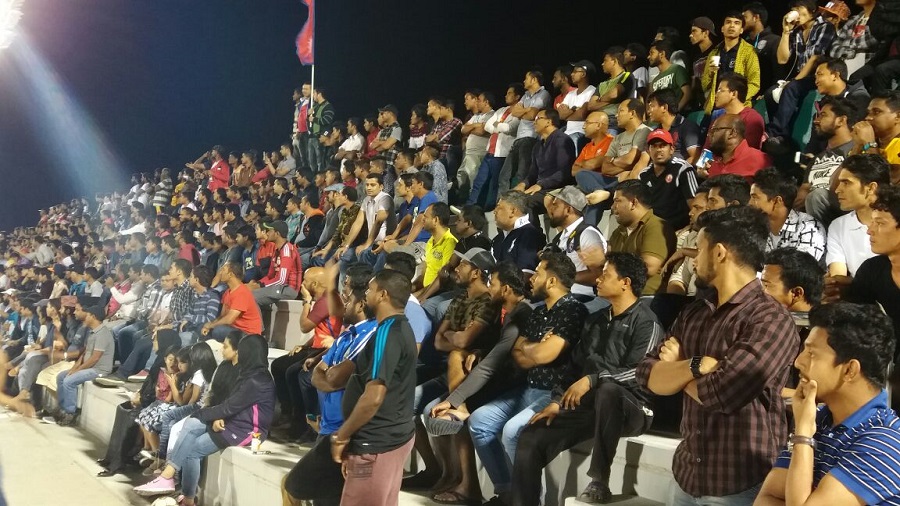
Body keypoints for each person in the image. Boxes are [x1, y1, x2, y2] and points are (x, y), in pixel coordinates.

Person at [636, 205, 799, 505]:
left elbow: (723, 393)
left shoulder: (770, 319)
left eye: (699, 249)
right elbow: (647, 374)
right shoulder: (694, 312)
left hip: (741, 483)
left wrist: (677, 369)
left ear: (720, 253)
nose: (694, 259)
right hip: (687, 477)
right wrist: (695, 365)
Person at [512, 253, 663, 506]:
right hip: (591, 405)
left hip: (633, 408)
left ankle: (599, 480)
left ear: (625, 283)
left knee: (608, 391)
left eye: (605, 275)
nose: (598, 280)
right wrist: (556, 401)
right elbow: (574, 367)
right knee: (531, 436)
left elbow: (641, 373)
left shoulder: (647, 322)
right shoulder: (595, 320)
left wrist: (593, 380)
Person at [467, 252, 587, 505]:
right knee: (479, 421)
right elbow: (520, 357)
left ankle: (529, 500)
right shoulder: (539, 311)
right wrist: (535, 347)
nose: (531, 278)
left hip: (553, 392)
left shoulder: (574, 310)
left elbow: (545, 354)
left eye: (538, 273)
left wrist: (531, 348)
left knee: (512, 432)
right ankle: (506, 491)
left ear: (552, 281)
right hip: (528, 387)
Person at [756, 303, 900, 505]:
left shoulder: (884, 442)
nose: (798, 362)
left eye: (811, 353)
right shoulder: (822, 419)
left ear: (849, 370)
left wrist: (803, 435)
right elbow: (766, 498)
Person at [424, 261, 533, 504]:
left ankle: (494, 491)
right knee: (458, 363)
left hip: (516, 383)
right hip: (503, 376)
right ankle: (477, 485)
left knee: (470, 416)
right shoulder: (510, 311)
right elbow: (496, 352)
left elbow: (495, 363)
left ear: (505, 289)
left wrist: (455, 399)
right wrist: (481, 351)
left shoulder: (522, 313)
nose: (489, 288)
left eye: (492, 283)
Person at [133, 334, 275, 505]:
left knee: (194, 438)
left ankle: (174, 483)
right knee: (192, 428)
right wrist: (214, 416)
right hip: (233, 421)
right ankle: (178, 488)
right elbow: (230, 404)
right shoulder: (248, 373)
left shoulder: (258, 380)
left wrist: (203, 414)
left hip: (248, 431)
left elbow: (230, 407)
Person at [281, 269, 378, 506]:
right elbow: (318, 374)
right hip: (327, 429)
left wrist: (328, 377)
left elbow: (334, 379)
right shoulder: (346, 336)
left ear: (361, 304)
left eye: (347, 298)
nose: (342, 303)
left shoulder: (370, 334)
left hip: (343, 433)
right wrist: (327, 377)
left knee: (292, 486)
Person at [330, 270, 418, 506]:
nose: (366, 294)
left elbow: (374, 396)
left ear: (382, 295)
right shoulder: (401, 328)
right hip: (387, 441)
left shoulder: (387, 332)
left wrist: (342, 435)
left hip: (376, 444)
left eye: (370, 289)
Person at [96, 330, 182, 477]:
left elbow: (160, 393)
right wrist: (139, 395)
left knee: (131, 416)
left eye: (156, 340)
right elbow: (150, 385)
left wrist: (141, 400)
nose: (153, 343)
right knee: (122, 409)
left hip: (156, 403)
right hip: (149, 400)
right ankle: (112, 457)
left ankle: (118, 462)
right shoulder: (159, 360)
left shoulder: (168, 364)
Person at [764, 0, 837, 154]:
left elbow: (815, 57)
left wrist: (795, 81)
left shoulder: (824, 27)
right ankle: (782, 137)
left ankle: (774, 131)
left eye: (799, 8)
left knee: (791, 88)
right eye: (793, 9)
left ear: (812, 10)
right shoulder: (797, 32)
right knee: (770, 93)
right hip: (802, 76)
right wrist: (786, 32)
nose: (795, 11)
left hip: (818, 75)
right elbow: (782, 59)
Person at [844, 185, 900, 362]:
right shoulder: (871, 269)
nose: (870, 230)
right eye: (872, 222)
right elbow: (856, 323)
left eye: (880, 223)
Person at [794, 96, 859, 225]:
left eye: (823, 115)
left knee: (816, 196)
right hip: (812, 215)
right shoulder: (816, 159)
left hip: (845, 216)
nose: (816, 121)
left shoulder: (857, 150)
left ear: (841, 120)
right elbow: (801, 197)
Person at [827, 155, 890, 286]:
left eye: (846, 183)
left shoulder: (896, 221)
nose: (837, 190)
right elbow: (838, 278)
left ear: (871, 188)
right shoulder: (838, 226)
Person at [607, 180, 677, 295]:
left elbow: (649, 267)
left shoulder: (656, 226)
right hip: (617, 295)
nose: (612, 207)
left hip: (646, 297)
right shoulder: (618, 232)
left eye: (617, 201)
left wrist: (610, 264)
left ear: (633, 203)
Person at [53, 305, 115, 426]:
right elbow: (85, 353)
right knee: (61, 376)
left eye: (87, 316)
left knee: (69, 381)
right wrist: (74, 368)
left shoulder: (103, 333)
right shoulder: (92, 332)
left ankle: (70, 412)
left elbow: (95, 358)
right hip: (89, 367)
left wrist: (78, 370)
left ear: (93, 316)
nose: (85, 318)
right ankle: (62, 407)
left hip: (99, 370)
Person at [749, 167, 826, 261]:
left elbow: (801, 269)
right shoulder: (754, 226)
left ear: (777, 201)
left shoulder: (808, 228)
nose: (749, 203)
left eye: (755, 197)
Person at [543, 186, 607, 296]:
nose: (551, 209)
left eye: (555, 205)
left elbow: (598, 275)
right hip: (562, 297)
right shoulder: (558, 238)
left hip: (585, 297)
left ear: (568, 209)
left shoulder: (587, 233)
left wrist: (564, 277)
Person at [500, 69, 553, 196]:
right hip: (518, 138)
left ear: (534, 79)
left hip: (531, 137)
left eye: (526, 78)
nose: (524, 81)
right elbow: (515, 112)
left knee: (521, 174)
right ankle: (501, 201)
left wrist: (525, 111)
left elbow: (533, 115)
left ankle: (518, 201)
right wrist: (527, 110)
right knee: (504, 174)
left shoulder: (544, 94)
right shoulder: (525, 96)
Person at [469, 84, 522, 210]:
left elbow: (510, 128)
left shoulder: (519, 111)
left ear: (517, 96)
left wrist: (497, 125)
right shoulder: (501, 110)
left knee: (495, 184)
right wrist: (499, 126)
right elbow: (488, 126)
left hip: (502, 153)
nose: (506, 95)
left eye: (509, 93)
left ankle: (492, 208)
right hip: (490, 152)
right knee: (479, 182)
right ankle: (471, 208)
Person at [636, 129, 699, 231]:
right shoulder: (643, 175)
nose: (658, 150)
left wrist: (691, 227)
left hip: (679, 228)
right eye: (654, 146)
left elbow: (695, 204)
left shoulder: (682, 168)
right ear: (648, 151)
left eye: (663, 145)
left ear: (672, 149)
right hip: (653, 229)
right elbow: (641, 207)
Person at [700, 11, 762, 115]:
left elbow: (754, 83)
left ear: (741, 30)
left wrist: (737, 98)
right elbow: (705, 85)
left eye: (737, 23)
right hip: (715, 108)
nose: (732, 26)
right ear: (722, 28)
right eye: (728, 22)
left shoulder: (749, 51)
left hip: (738, 108)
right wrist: (710, 73)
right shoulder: (714, 53)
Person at [572, 111, 617, 225]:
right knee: (567, 194)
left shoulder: (611, 141)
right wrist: (589, 164)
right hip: (591, 187)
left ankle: (588, 228)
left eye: (587, 123)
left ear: (598, 125)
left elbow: (592, 165)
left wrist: (584, 164)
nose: (583, 126)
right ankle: (586, 229)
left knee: (582, 174)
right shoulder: (587, 147)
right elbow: (573, 170)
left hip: (609, 181)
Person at [201, 262, 263, 341]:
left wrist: (211, 326)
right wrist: (209, 326)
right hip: (234, 329)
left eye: (223, 270)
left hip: (248, 335)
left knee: (218, 331)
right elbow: (222, 316)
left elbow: (229, 319)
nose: (220, 273)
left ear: (231, 274)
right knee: (205, 329)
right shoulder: (227, 292)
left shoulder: (242, 292)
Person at [250, 220, 303, 307]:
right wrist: (257, 284)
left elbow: (282, 280)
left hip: (288, 289)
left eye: (270, 231)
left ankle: (257, 317)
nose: (267, 233)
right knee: (248, 293)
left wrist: (261, 286)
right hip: (278, 287)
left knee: (251, 296)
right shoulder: (277, 250)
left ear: (277, 233)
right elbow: (270, 276)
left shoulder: (287, 250)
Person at [491, 191, 546, 272]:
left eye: (498, 207)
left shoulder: (530, 234)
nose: (494, 211)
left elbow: (526, 273)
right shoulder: (497, 240)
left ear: (512, 211)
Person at [586, 46, 636, 132]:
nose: (602, 64)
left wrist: (599, 100)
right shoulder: (602, 84)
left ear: (614, 61)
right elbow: (590, 106)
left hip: (613, 121)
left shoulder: (626, 76)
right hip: (598, 120)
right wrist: (612, 100)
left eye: (605, 60)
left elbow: (614, 94)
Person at [646, 88, 702, 164]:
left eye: (652, 106)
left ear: (664, 107)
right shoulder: (655, 132)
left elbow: (695, 157)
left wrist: (675, 169)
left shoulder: (687, 127)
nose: (648, 111)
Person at [704, 114, 769, 179]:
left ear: (732, 133)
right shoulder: (713, 166)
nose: (710, 135)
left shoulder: (760, 160)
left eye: (715, 130)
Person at [557, 60, 598, 153]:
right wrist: (575, 109)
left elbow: (582, 114)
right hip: (567, 132)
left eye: (575, 71)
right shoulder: (571, 94)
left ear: (583, 74)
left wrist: (568, 113)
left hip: (581, 133)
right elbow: (561, 115)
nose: (572, 74)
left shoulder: (592, 91)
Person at [741, 2, 782, 93]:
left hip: (766, 95)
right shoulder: (743, 44)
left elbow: (779, 72)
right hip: (745, 95)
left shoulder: (774, 40)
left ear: (756, 17)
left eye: (745, 17)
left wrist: (770, 93)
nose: (741, 21)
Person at [649, 38, 692, 112]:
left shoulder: (676, 69)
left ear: (662, 54)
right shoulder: (655, 80)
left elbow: (688, 94)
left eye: (651, 53)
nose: (648, 57)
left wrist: (675, 112)